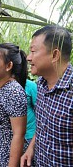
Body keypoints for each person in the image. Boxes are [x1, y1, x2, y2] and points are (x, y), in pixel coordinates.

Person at [21, 25, 73, 166]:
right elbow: (43, 126)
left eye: (33, 51)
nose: (29, 58)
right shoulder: (41, 84)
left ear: (55, 55)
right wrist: (32, 147)